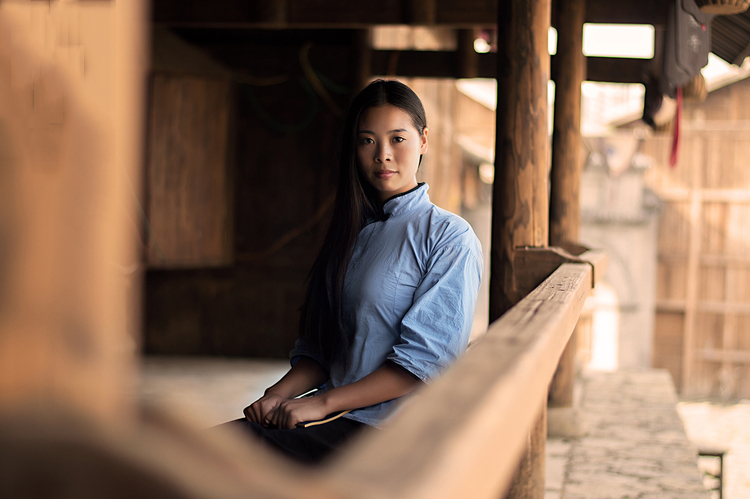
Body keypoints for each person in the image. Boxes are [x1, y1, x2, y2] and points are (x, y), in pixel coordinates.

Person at [229, 79, 483, 465]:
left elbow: (423, 364)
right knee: (186, 453)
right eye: (367, 141)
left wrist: (322, 403)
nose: (383, 154)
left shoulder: (449, 236)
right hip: (334, 420)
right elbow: (325, 349)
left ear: (424, 140)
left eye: (398, 138)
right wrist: (277, 395)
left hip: (384, 434)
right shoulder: (354, 232)